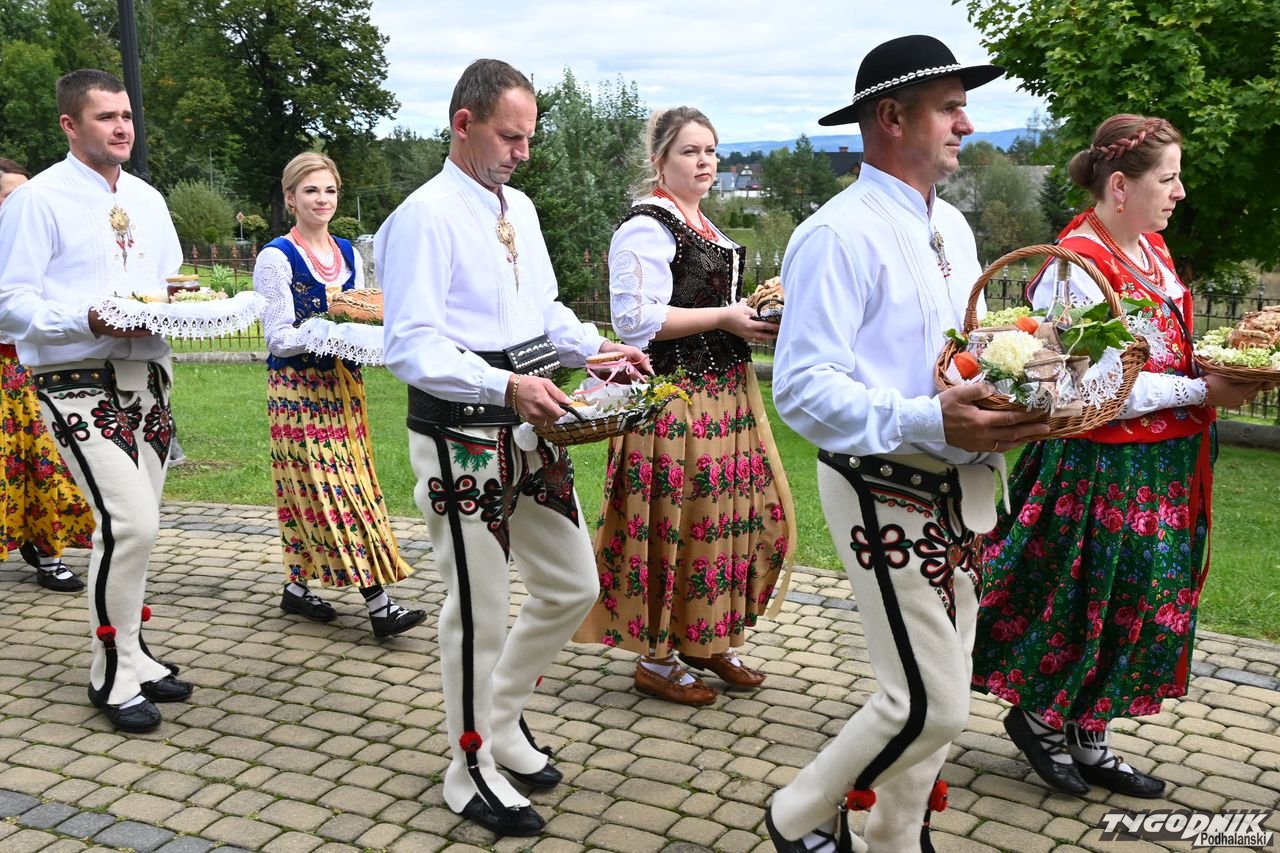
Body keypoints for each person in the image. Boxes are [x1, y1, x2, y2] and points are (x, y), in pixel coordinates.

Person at [767, 35, 1049, 853]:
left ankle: (894, 836)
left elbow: (956, 354)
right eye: (950, 108)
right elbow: (802, 389)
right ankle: (795, 816)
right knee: (929, 702)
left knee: (943, 686)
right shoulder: (836, 233)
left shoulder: (951, 226)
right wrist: (931, 418)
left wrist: (1018, 383)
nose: (967, 123)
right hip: (879, 482)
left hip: (962, 486)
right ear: (891, 117)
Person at [377, 58, 651, 838]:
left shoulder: (519, 208)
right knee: (479, 608)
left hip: (533, 423)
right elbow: (410, 345)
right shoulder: (423, 216)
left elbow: (544, 310)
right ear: (463, 124)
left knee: (572, 584)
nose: (522, 152)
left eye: (529, 137)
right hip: (461, 433)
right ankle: (466, 767)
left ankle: (498, 720)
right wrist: (503, 386)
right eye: (510, 136)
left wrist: (593, 347)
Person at [971, 114, 1262, 800]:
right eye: (1169, 178)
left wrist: (1225, 367)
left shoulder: (1150, 249)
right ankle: (1039, 718)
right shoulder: (1074, 266)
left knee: (1139, 602)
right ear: (1122, 186)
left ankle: (1088, 731)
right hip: (1100, 467)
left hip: (1162, 464)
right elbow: (1086, 384)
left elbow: (1167, 347)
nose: (1180, 192)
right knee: (1083, 600)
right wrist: (1202, 389)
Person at [572, 107, 795, 706]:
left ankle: (705, 637)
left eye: (711, 151)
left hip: (725, 394)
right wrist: (727, 317)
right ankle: (657, 658)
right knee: (676, 521)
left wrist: (750, 317)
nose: (704, 162)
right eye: (690, 151)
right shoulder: (647, 226)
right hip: (674, 397)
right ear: (659, 161)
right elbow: (634, 320)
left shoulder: (703, 223)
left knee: (729, 516)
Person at [0, 69, 194, 733]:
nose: (121, 127)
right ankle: (110, 670)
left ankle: (135, 653)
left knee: (141, 524)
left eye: (127, 116)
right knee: (129, 524)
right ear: (70, 124)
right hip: (75, 376)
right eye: (106, 116)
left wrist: (186, 303)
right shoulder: (37, 200)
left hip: (149, 376)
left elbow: (169, 284)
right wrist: (87, 317)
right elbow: (9, 302)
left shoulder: (147, 197)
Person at [254, 152, 425, 639]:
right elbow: (277, 337)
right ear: (291, 198)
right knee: (335, 490)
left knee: (320, 489)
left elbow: (363, 317)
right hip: (296, 391)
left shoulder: (348, 252)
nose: (322, 200)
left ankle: (296, 586)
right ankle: (380, 603)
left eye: (329, 190)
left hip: (345, 388)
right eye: (310, 190)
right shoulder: (275, 257)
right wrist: (325, 327)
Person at [0, 157, 95, 592]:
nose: (20, 202)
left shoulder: (42, 245)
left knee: (48, 461)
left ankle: (48, 553)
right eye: (9, 195)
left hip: (36, 370)